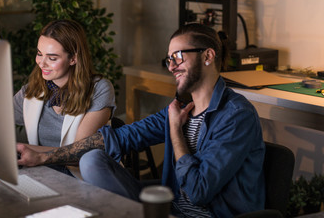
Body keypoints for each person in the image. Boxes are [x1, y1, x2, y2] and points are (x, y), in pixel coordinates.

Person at [17, 23, 265, 217]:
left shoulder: (236, 115)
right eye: (169, 59)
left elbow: (198, 191)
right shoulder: (177, 109)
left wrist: (176, 132)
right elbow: (120, 138)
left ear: (208, 56)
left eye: (177, 57)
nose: (171, 67)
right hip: (169, 208)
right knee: (92, 158)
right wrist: (44, 157)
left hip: (210, 215)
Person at [14, 19, 116, 178]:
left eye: (52, 58)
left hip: (86, 179)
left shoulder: (100, 89)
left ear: (73, 58)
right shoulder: (31, 90)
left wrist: (23, 149)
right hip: (43, 174)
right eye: (39, 54)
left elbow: (78, 153)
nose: (42, 63)